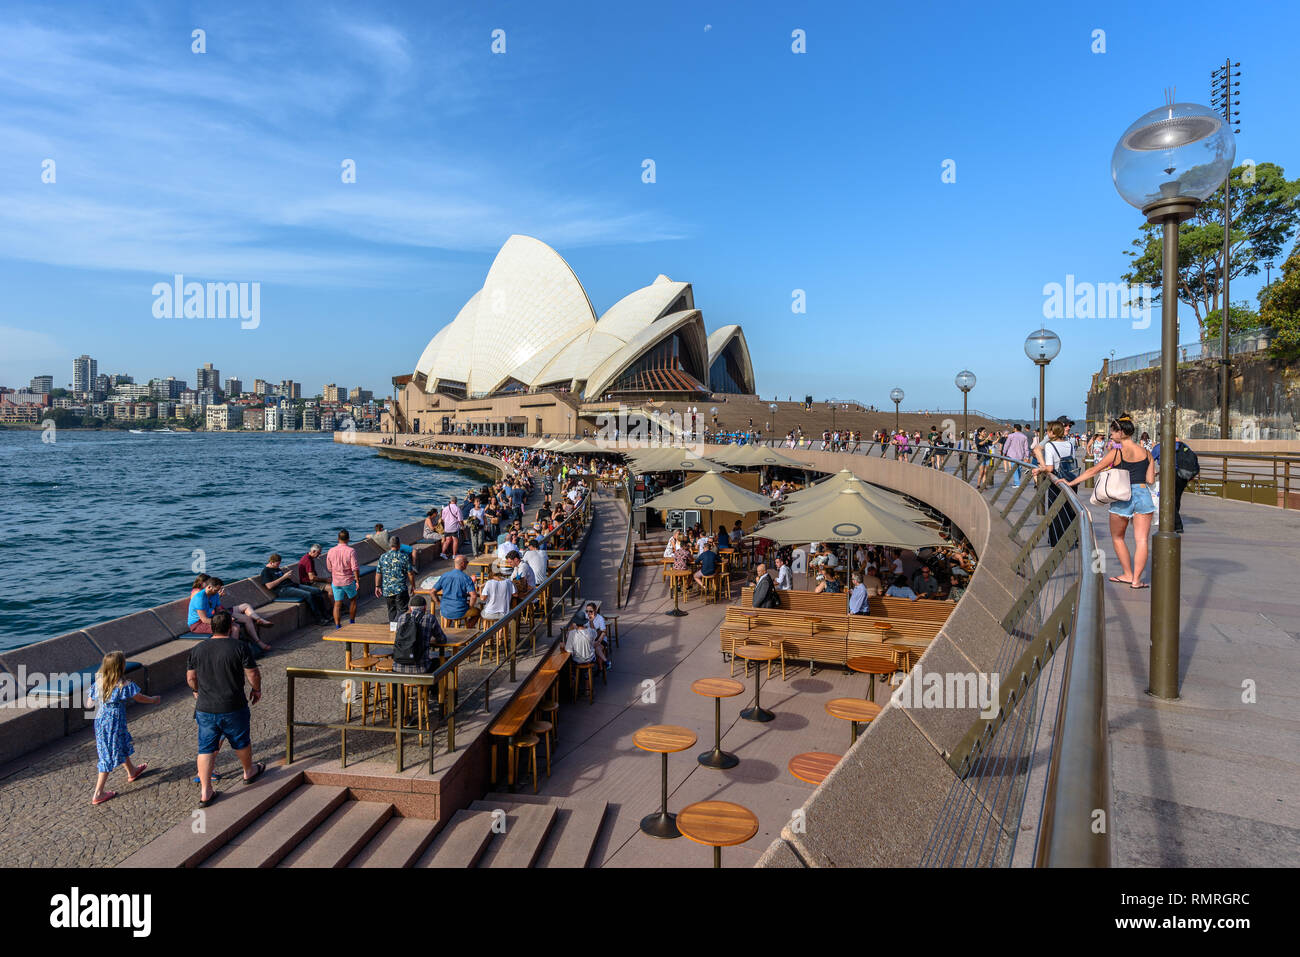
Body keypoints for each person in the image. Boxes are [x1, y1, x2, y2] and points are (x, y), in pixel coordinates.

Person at [1063, 414, 1155, 589]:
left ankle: (1127, 574)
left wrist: (1071, 482)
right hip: (1143, 495)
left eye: (1112, 432)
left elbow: (1094, 470)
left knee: (1118, 537)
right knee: (1142, 540)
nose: (1111, 435)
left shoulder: (1117, 452)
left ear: (1120, 432)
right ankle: (1136, 580)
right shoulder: (1146, 453)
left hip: (1123, 496)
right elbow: (1150, 479)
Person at [187, 610, 264, 808]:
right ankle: (249, 772)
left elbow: (191, 678)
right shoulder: (239, 647)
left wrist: (196, 691)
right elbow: (253, 673)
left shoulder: (197, 649)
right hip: (233, 704)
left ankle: (206, 792)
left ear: (212, 627)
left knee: (206, 747)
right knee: (240, 741)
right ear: (230, 628)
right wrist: (256, 690)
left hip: (205, 707)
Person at [88, 651, 160, 806]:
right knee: (109, 753)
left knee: (119, 744)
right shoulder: (124, 684)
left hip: (100, 721)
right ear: (120, 666)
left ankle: (132, 771)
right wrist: (153, 700)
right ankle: (98, 793)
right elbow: (140, 697)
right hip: (114, 722)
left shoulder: (98, 683)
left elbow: (89, 704)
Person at [1030, 420, 1079, 549]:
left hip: (1057, 481)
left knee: (1055, 511)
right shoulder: (1070, 444)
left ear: (1052, 432)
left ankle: (1056, 541)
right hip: (1071, 480)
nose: (1046, 432)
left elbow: (1050, 468)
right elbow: (1072, 462)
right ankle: (1071, 540)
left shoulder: (1050, 446)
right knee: (1070, 510)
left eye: (1048, 430)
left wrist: (1039, 469)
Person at [261, 553, 332, 625]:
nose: (278, 565)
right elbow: (269, 586)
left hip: (292, 585)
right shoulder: (266, 571)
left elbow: (281, 578)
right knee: (308, 595)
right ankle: (318, 619)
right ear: (271, 562)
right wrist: (284, 577)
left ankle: (325, 614)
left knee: (317, 591)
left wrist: (287, 577)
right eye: (277, 564)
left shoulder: (276, 568)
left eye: (279, 564)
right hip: (283, 590)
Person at [1152, 435, 1198, 534]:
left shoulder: (1160, 447)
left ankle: (1177, 524)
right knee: (1176, 498)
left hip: (1168, 476)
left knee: (1168, 498)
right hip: (1183, 476)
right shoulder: (1184, 446)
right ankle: (1173, 521)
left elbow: (1150, 459)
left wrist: (1154, 472)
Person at [392, 595, 446, 674]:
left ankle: (399, 686)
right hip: (420, 668)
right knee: (437, 663)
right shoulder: (430, 618)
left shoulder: (401, 618)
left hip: (397, 667)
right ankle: (430, 686)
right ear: (424, 608)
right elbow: (442, 640)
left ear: (410, 608)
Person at [375, 536, 414, 621]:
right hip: (401, 589)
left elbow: (378, 573)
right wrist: (413, 585)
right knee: (402, 610)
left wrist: (377, 586)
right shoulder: (404, 557)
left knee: (391, 610)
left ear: (390, 545)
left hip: (387, 589)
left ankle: (393, 628)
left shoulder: (383, 557)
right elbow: (410, 573)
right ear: (399, 545)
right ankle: (399, 627)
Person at [326, 529, 360, 628]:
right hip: (348, 581)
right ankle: (352, 622)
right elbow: (355, 568)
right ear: (348, 539)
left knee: (337, 604)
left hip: (336, 581)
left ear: (338, 538)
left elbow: (329, 567)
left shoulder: (331, 551)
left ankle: (338, 626)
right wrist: (357, 580)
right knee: (353, 600)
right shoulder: (351, 551)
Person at [435, 555, 478, 627]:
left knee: (448, 616)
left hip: (445, 609)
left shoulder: (444, 575)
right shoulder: (466, 578)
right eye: (467, 562)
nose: (467, 564)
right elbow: (473, 596)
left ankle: (447, 630)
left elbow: (432, 592)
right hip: (459, 610)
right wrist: (470, 606)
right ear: (463, 564)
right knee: (478, 612)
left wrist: (439, 603)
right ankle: (466, 630)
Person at [1002, 423, 1030, 488]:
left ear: (1015, 429)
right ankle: (1017, 481)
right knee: (1019, 469)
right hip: (1021, 455)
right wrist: (1027, 456)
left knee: (1014, 469)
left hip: (1012, 454)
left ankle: (1017, 483)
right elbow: (1026, 448)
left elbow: (1007, 445)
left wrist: (1004, 452)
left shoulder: (1011, 436)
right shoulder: (1024, 437)